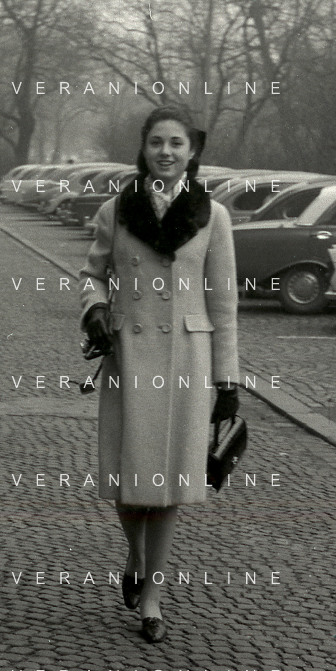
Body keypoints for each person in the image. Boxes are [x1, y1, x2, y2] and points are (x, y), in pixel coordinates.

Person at [79, 105, 240, 643]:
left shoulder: (213, 217)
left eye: (176, 144)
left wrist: (228, 379)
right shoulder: (117, 210)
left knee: (168, 486)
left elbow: (223, 304)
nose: (165, 153)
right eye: (156, 143)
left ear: (192, 152)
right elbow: (92, 274)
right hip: (128, 352)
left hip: (185, 361)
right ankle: (137, 556)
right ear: (143, 149)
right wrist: (94, 309)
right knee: (128, 485)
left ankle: (153, 593)